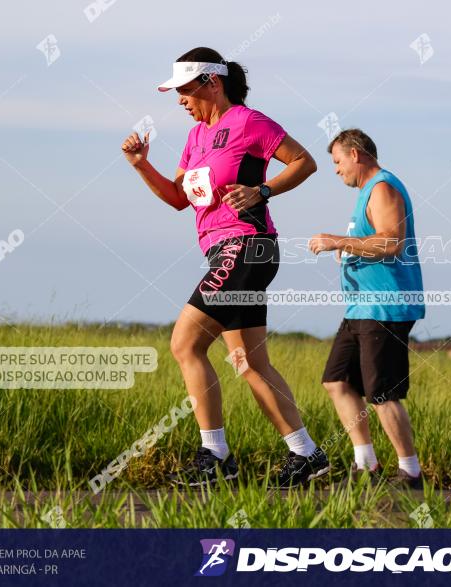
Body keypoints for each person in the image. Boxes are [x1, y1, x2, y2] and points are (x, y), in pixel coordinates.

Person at [121, 46, 329, 487]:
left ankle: (215, 457)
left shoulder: (251, 123)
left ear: (210, 82)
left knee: (185, 344)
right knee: (248, 362)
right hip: (223, 252)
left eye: (183, 90)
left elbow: (304, 163)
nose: (179, 100)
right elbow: (179, 199)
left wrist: (262, 192)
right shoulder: (196, 138)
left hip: (248, 246)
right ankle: (306, 454)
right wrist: (142, 166)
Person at [309, 129, 425, 489]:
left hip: (385, 307)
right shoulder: (366, 194)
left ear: (356, 154)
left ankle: (410, 473)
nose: (336, 169)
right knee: (337, 381)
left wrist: (339, 242)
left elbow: (391, 242)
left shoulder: (383, 188)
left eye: (337, 161)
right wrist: (350, 251)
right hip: (361, 308)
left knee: (381, 395)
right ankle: (366, 467)